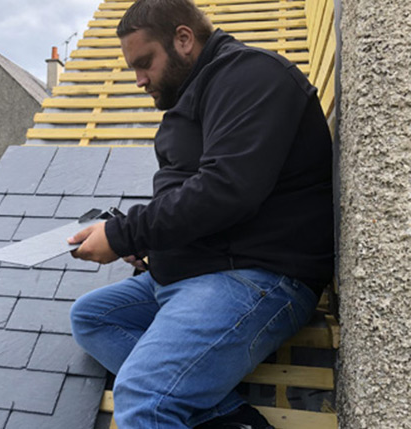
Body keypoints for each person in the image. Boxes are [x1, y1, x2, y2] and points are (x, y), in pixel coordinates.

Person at [68, 0, 334, 427]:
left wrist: (124, 235)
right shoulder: (193, 97)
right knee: (92, 318)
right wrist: (146, 242)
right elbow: (193, 194)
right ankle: (231, 419)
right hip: (198, 271)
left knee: (141, 394)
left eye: (144, 63)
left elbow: (227, 190)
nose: (138, 80)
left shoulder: (253, 77)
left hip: (255, 275)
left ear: (184, 39)